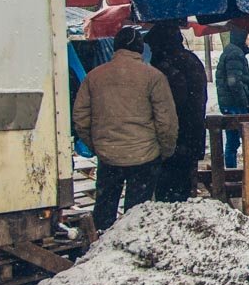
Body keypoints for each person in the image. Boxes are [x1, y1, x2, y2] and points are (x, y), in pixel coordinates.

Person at [73, 26, 177, 231]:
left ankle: (99, 248)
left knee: (104, 210)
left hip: (108, 155)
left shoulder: (94, 77)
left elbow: (80, 117)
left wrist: (96, 145)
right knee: (136, 216)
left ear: (115, 47)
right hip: (144, 156)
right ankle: (132, 249)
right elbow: (166, 121)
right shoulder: (153, 77)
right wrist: (165, 150)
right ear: (140, 48)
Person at [145, 23, 208, 202]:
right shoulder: (191, 59)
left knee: (168, 192)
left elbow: (168, 104)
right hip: (192, 134)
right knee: (184, 188)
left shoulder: (166, 64)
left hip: (174, 138)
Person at [215, 26, 249, 169]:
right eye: (248, 36)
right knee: (234, 140)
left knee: (233, 139)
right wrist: (244, 102)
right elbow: (234, 82)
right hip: (234, 104)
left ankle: (233, 169)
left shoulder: (232, 51)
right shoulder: (235, 54)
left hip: (229, 103)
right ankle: (233, 170)